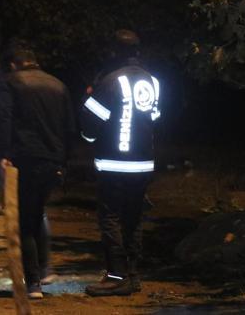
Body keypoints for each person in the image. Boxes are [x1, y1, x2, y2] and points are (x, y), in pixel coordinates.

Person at [81, 29, 161, 297]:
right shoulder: (152, 81)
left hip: (115, 162)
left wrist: (89, 137)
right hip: (143, 162)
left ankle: (116, 275)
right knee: (134, 218)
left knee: (111, 217)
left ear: (114, 52)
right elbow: (156, 117)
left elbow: (90, 123)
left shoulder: (111, 81)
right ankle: (133, 274)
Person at [0, 40, 75, 299]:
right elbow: (69, 127)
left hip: (24, 159)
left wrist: (3, 155)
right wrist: (64, 161)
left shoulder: (10, 82)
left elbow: (3, 119)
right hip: (52, 161)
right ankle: (44, 269)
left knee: (25, 221)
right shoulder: (58, 85)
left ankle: (33, 283)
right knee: (38, 212)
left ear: (12, 64)